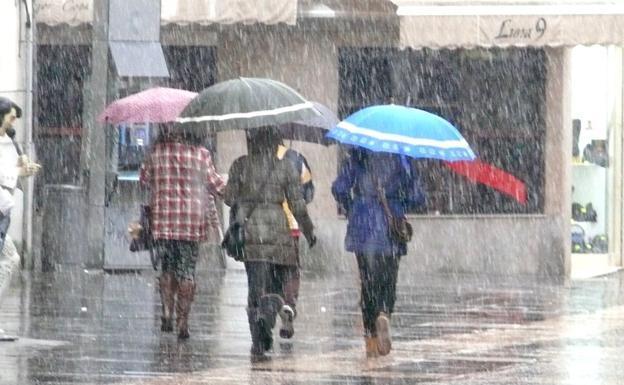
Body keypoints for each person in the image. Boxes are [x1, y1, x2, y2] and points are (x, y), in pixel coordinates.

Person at [223, 127, 316, 358]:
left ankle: (258, 339)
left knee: (255, 285)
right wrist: (309, 231)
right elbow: (298, 205)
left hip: (250, 232)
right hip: (279, 232)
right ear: (275, 143)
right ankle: (270, 312)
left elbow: (228, 198)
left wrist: (244, 194)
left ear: (250, 140)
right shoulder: (285, 166)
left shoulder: (240, 165)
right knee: (275, 283)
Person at [331, 148, 425, 357]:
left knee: (367, 283)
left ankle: (371, 341)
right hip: (390, 223)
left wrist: (353, 206)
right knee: (388, 279)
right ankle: (384, 312)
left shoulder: (358, 155)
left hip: (363, 225)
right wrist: (399, 203)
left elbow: (339, 188)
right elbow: (417, 196)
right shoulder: (403, 158)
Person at [138, 126, 225, 339]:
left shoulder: (156, 152)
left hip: (164, 221)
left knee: (167, 267)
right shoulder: (201, 154)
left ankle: (167, 311)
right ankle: (183, 321)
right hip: (191, 222)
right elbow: (215, 184)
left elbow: (144, 179)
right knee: (187, 271)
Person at [0, 97, 40, 252]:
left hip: (3, 207)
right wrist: (19, 171)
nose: (13, 122)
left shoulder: (7, 140)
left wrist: (20, 165)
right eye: (11, 118)